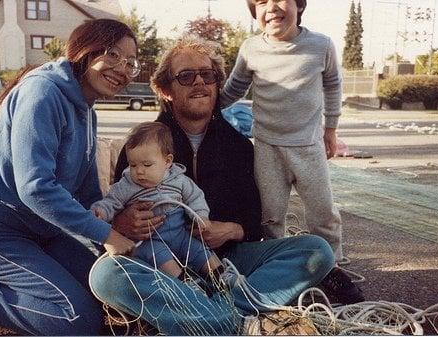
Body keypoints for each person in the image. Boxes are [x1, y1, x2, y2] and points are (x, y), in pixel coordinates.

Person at [89, 35, 336, 335]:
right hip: (158, 263)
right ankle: (235, 321)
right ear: (166, 90)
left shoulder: (240, 147)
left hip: (224, 262)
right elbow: (117, 205)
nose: (199, 83)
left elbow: (255, 220)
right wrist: (122, 222)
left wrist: (230, 230)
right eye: (186, 76)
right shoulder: (138, 146)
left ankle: (208, 316)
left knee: (317, 251)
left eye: (207, 75)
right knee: (104, 275)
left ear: (217, 85)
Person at [0, 19, 139, 335]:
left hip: (43, 231)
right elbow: (35, 188)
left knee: (109, 289)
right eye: (113, 55)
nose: (123, 68)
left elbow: (86, 193)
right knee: (78, 321)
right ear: (85, 50)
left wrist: (107, 223)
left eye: (130, 62)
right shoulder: (42, 92)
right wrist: (108, 236)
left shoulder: (89, 111)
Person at [220, 0, 364, 303]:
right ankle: (282, 269)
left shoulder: (320, 45)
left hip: (309, 145)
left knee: (323, 212)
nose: (271, 7)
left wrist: (331, 129)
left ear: (298, 6)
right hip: (268, 147)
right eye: (261, 2)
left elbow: (333, 86)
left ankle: (331, 268)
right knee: (270, 217)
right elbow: (234, 89)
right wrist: (202, 109)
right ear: (255, 12)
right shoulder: (250, 48)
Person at [91, 121, 224, 283]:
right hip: (151, 240)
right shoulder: (127, 185)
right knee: (162, 259)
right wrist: (101, 211)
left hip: (180, 235)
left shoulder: (179, 180)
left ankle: (223, 278)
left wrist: (201, 216)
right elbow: (112, 202)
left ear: (167, 162)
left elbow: (195, 197)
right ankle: (186, 286)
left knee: (199, 250)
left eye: (147, 165)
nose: (139, 171)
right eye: (133, 165)